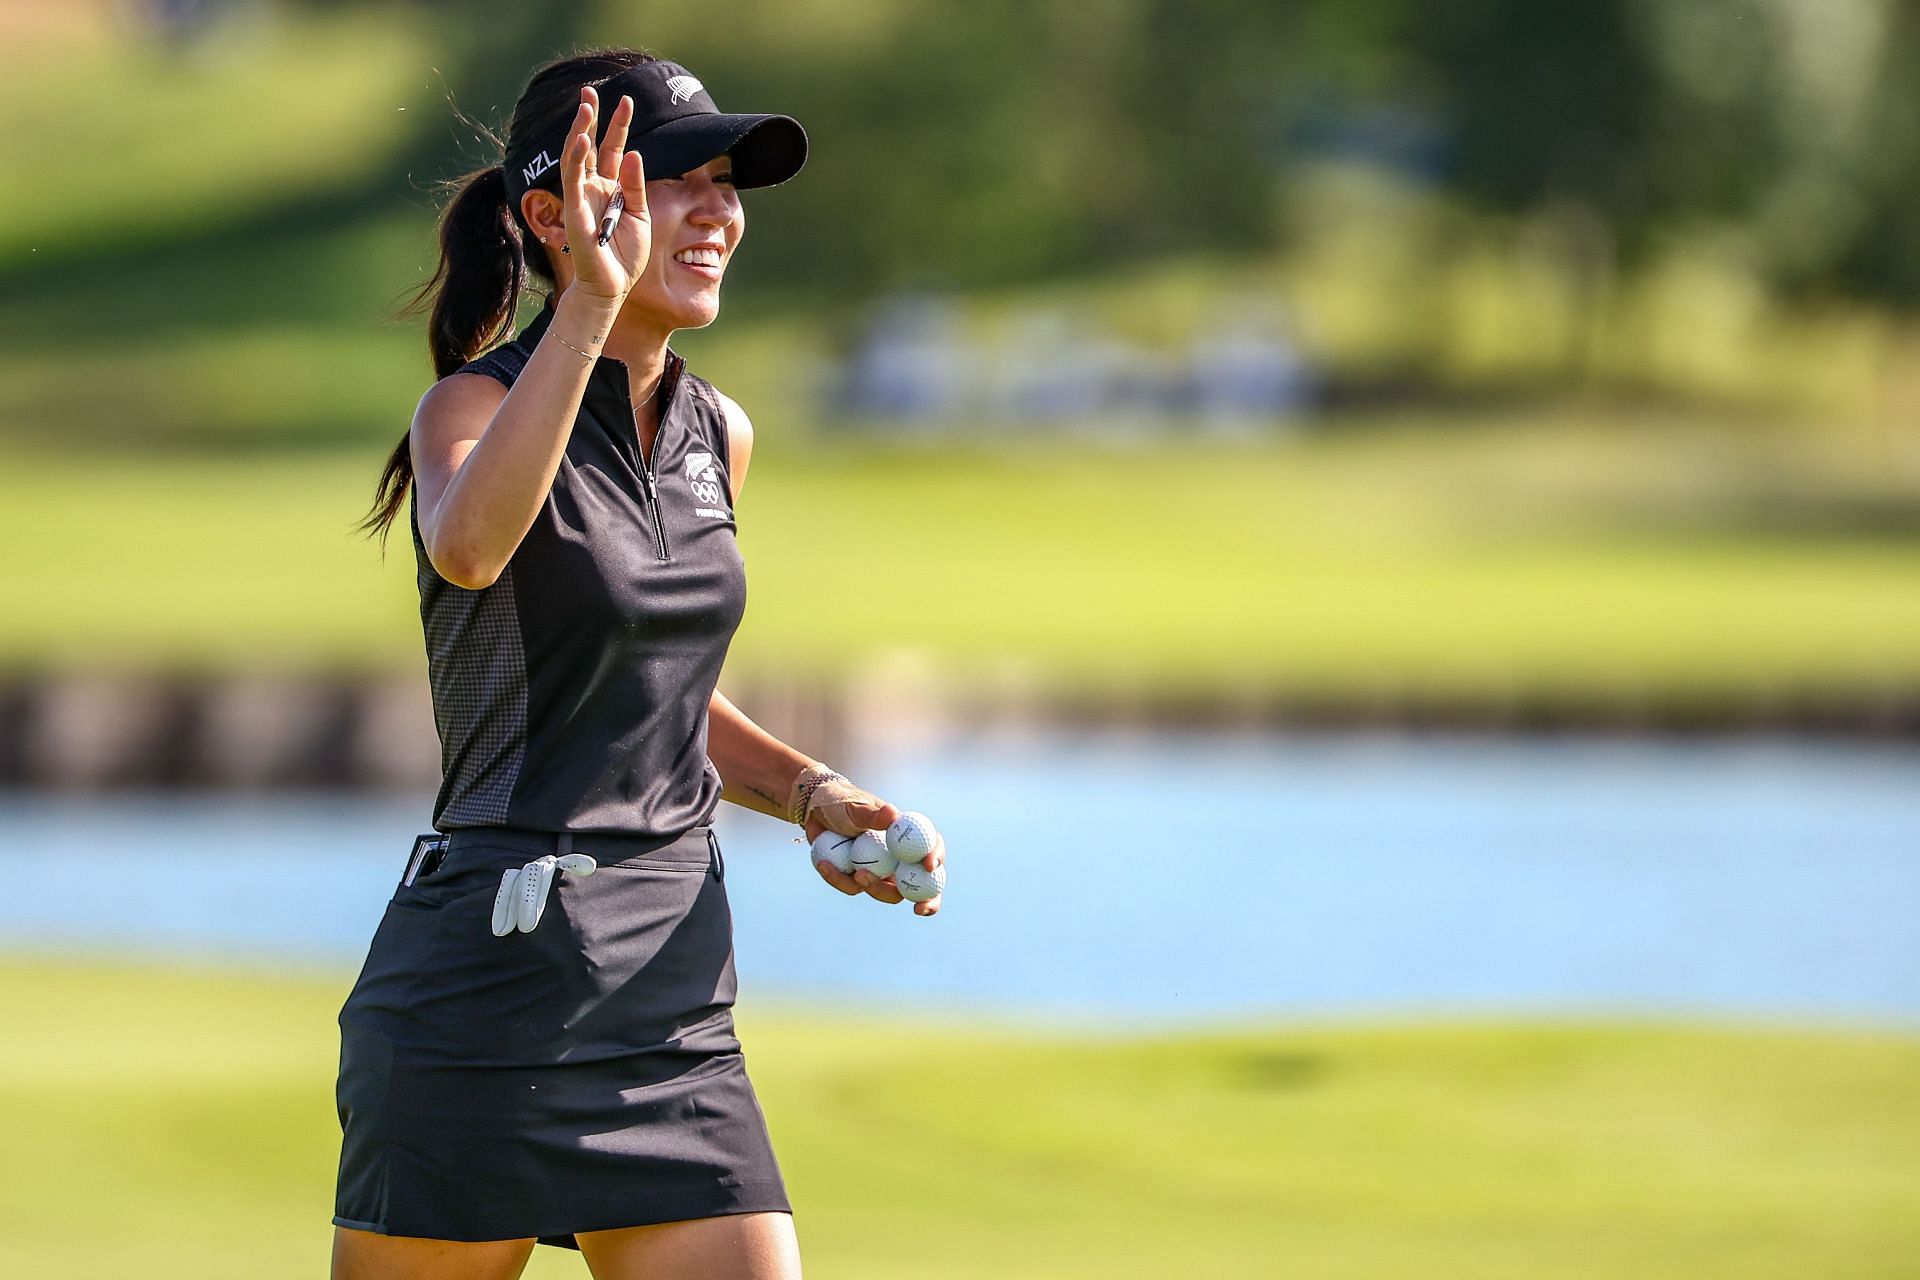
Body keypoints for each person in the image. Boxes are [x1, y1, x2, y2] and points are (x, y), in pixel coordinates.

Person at [338, 47, 943, 1280]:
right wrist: (588, 311)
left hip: (669, 997)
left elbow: (659, 693)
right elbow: (465, 548)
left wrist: (817, 792)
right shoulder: (467, 409)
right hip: (487, 984)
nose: (718, 208)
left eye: (727, 182)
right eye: (677, 180)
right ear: (556, 215)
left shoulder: (722, 431)